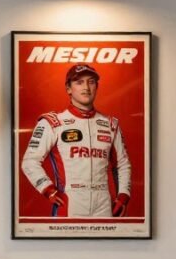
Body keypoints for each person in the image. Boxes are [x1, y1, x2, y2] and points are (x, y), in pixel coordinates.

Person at [21, 64, 132, 217]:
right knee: (68, 242)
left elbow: (123, 163)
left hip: (104, 203)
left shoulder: (111, 124)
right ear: (68, 88)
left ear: (97, 86)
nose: (86, 87)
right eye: (79, 82)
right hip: (72, 201)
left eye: (91, 82)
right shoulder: (53, 122)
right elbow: (29, 161)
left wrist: (123, 195)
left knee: (106, 242)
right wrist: (48, 189)